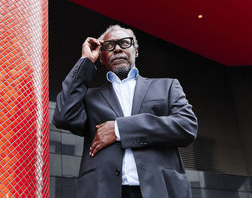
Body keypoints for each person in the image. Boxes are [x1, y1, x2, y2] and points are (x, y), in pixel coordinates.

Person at [53, 25, 198, 198]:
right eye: (109, 46)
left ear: (135, 51)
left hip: (160, 190)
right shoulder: (90, 97)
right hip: (103, 191)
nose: (118, 48)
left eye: (124, 43)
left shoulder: (167, 86)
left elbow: (187, 126)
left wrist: (119, 129)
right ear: (102, 57)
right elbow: (63, 116)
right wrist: (85, 61)